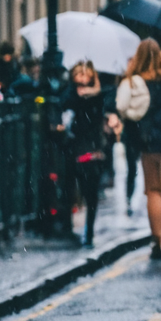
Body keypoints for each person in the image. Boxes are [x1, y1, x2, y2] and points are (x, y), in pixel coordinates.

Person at [117, 39, 161, 260]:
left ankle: (156, 240)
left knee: (153, 190)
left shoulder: (135, 82)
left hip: (148, 142)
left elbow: (127, 112)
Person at [60, 61, 112, 248]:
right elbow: (64, 106)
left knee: (91, 191)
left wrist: (94, 93)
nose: (81, 79)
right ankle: (68, 226)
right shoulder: (69, 93)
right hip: (74, 146)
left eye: (85, 75)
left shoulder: (100, 95)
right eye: (78, 75)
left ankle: (88, 230)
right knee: (72, 187)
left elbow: (108, 105)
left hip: (93, 147)